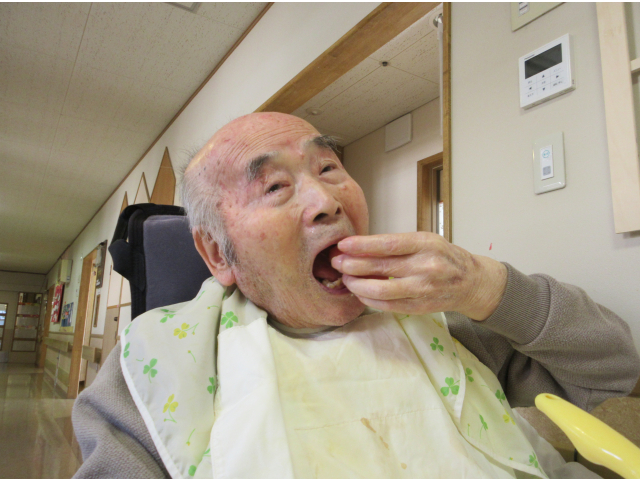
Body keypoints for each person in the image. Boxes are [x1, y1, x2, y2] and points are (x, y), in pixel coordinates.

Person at [72, 112, 640, 479]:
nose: (326, 200)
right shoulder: (154, 370)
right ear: (218, 254)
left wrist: (482, 283)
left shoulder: (446, 323)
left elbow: (613, 371)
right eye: (275, 186)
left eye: (328, 167)